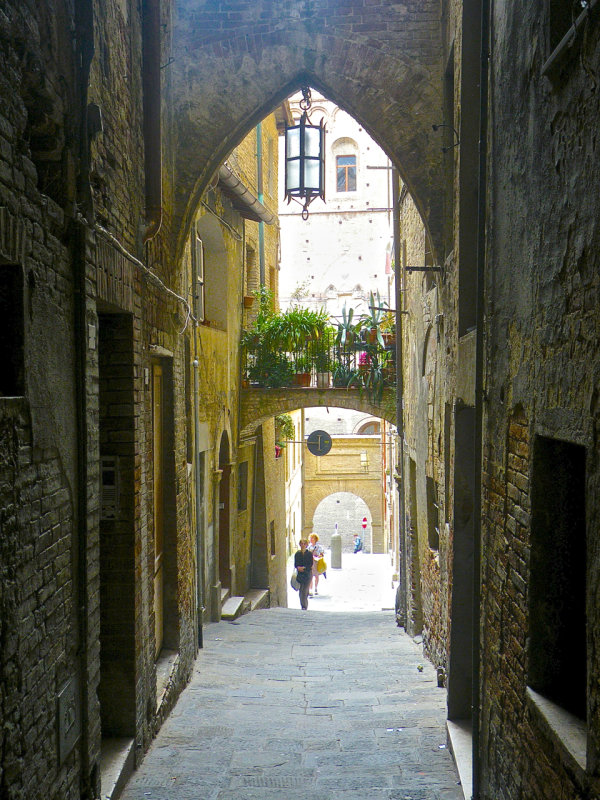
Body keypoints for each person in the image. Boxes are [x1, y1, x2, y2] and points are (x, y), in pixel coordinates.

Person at [294, 538, 313, 610]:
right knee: (301, 590)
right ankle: (302, 605)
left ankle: (305, 606)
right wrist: (298, 567)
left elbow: (310, 564)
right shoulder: (297, 554)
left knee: (305, 590)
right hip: (300, 575)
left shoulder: (309, 554)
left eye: (304, 543)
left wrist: (304, 568)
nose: (303, 545)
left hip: (307, 574)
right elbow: (295, 564)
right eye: (301, 543)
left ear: (306, 544)